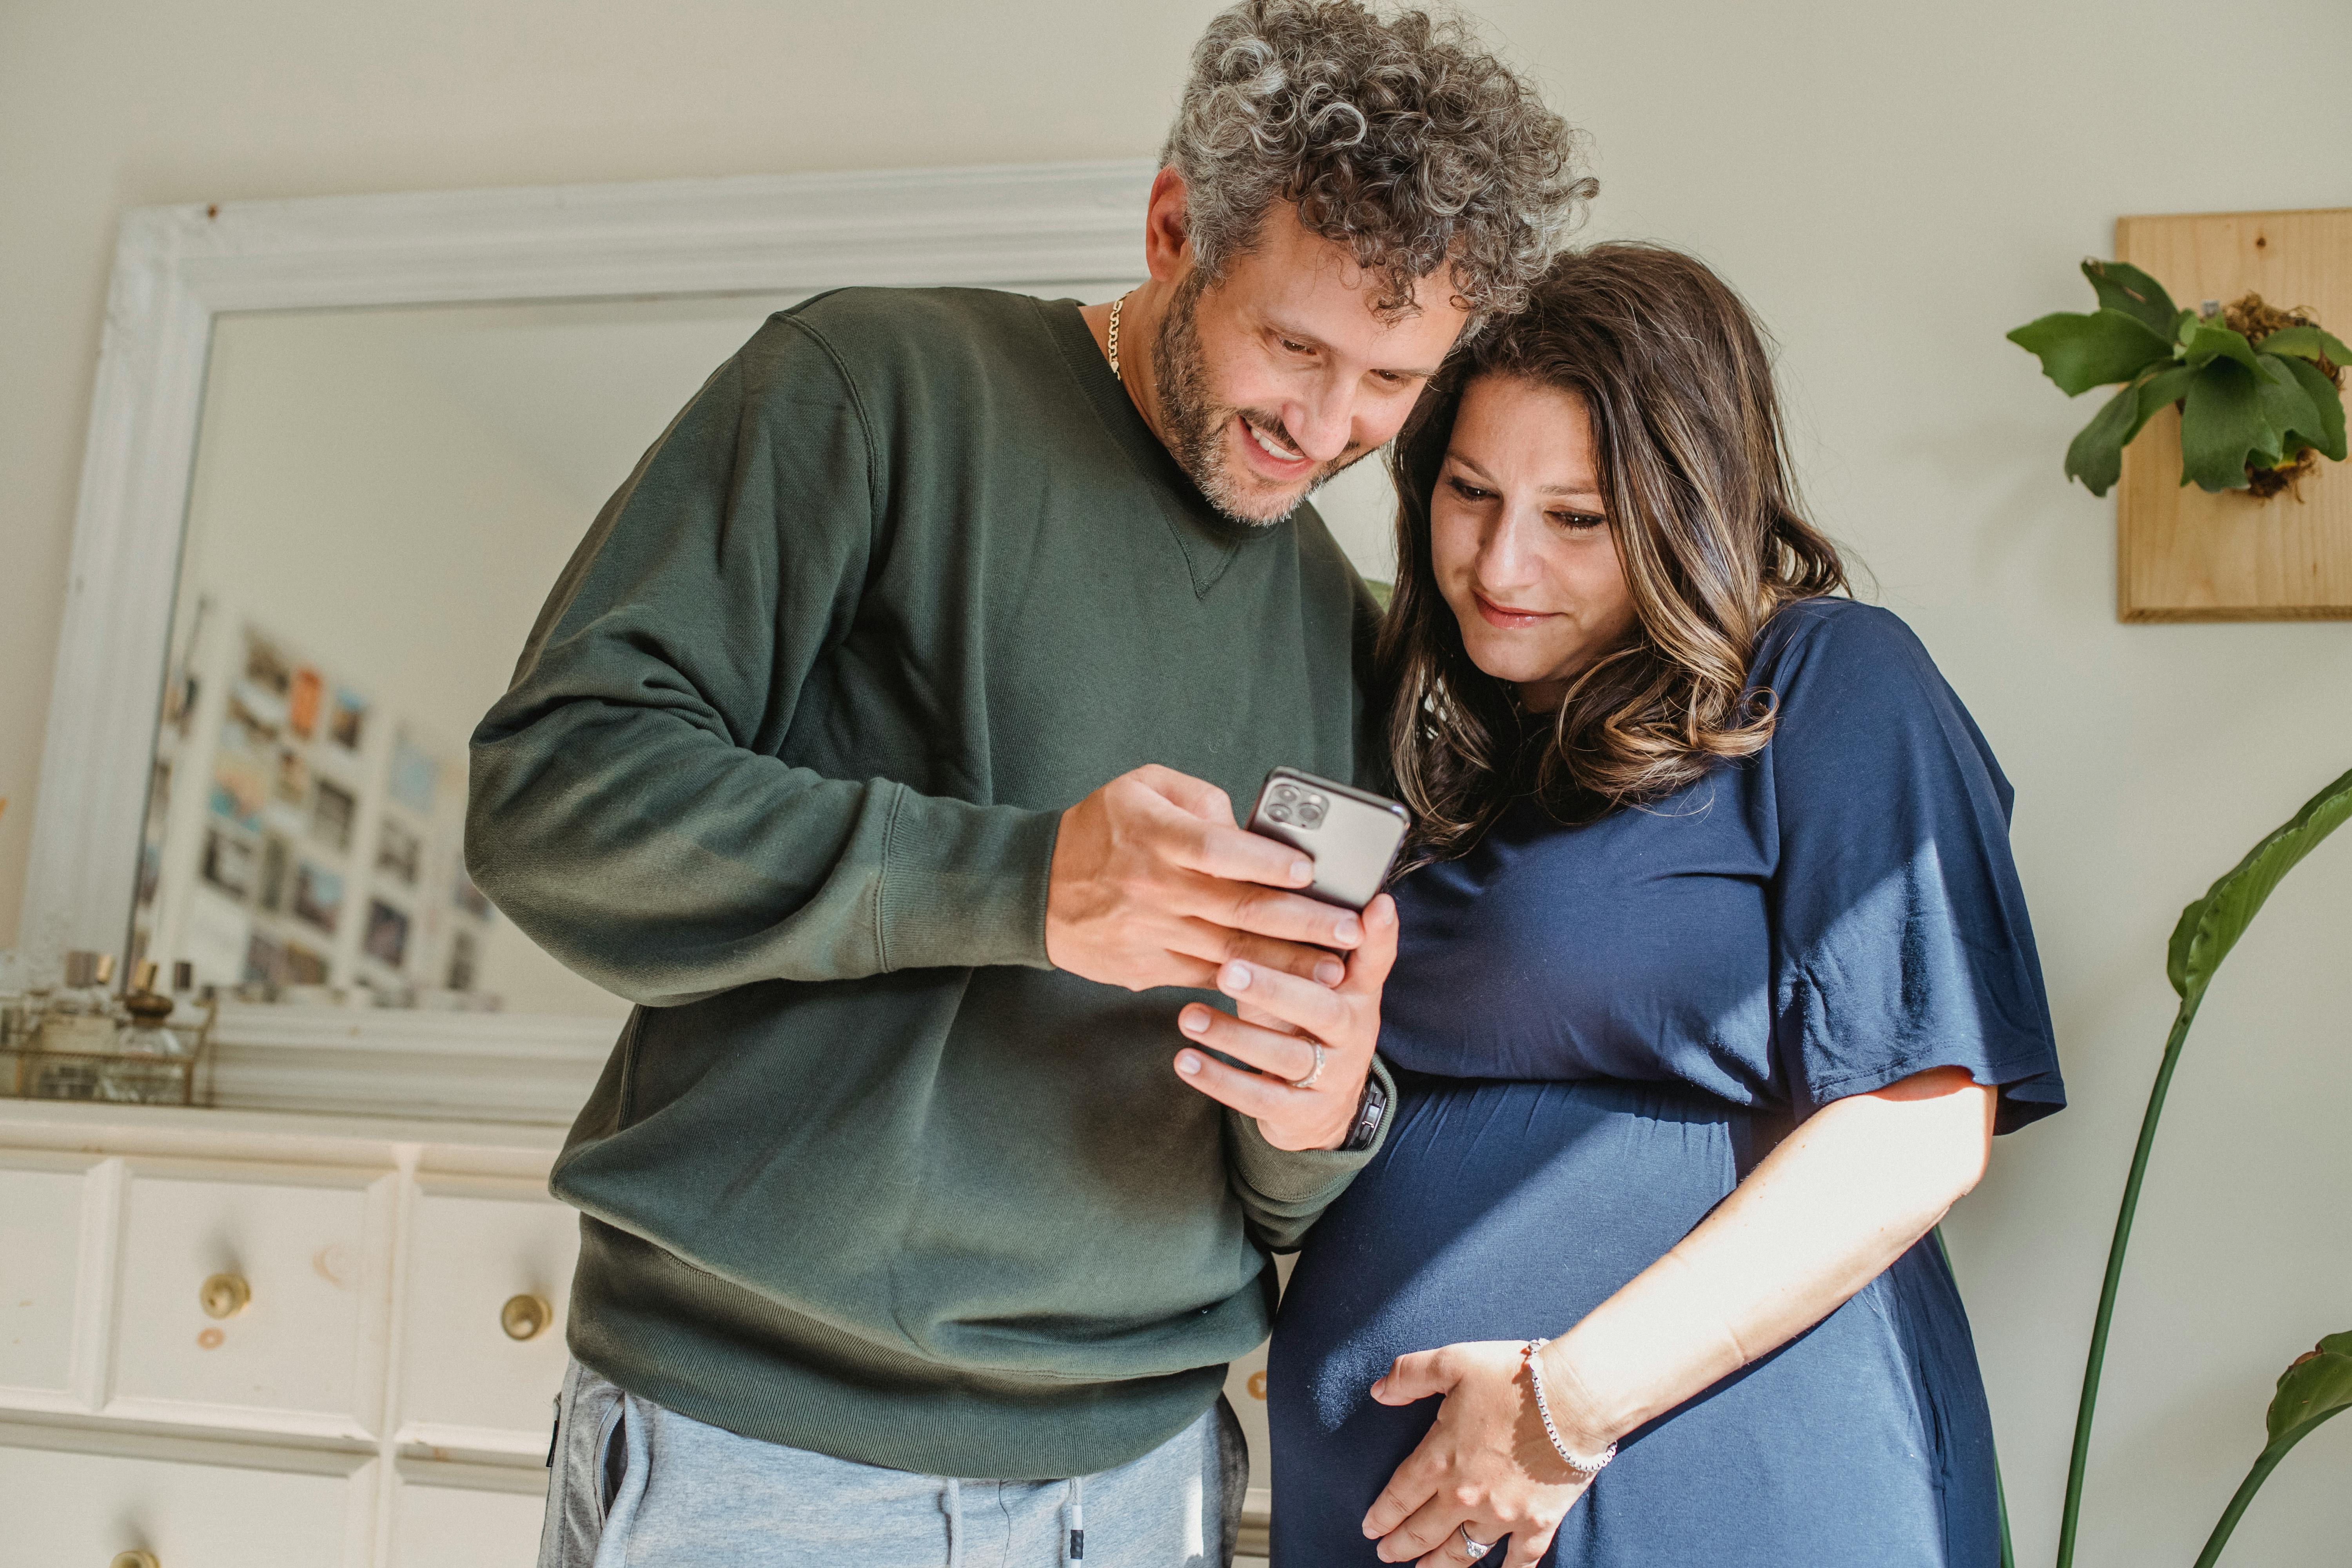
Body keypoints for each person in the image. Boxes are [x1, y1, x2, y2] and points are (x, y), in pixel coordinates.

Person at [465, 4, 1589, 1563]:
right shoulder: (871, 389)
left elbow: (1278, 1176)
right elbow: (552, 795)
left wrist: (1323, 1107)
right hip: (764, 1453)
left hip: (1144, 1475)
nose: (1326, 428)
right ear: (1171, 226)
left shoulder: (1353, 640)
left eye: (1392, 380)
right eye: (1294, 345)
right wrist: (1023, 882)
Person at [1267, 244, 2066, 1567]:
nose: (1502, 561)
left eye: (1576, 519)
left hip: (1715, 1476)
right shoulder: (1417, 735)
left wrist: (1559, 1411)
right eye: (1470, 494)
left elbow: (1919, 1128)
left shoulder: (1823, 688)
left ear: (1686, 513)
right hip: (1389, 1513)